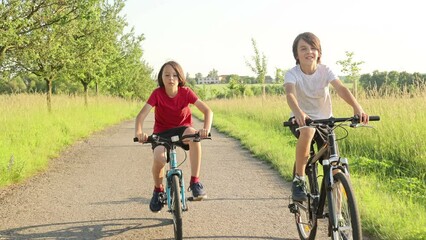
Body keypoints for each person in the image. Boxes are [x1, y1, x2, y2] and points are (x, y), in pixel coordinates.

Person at [284, 32, 369, 202]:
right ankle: (299, 179)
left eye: (313, 48)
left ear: (319, 52)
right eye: (304, 48)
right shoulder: (292, 74)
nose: (309, 52)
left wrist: (356, 107)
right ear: (296, 55)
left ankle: (338, 221)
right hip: (302, 119)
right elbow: (290, 94)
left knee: (334, 165)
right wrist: (299, 113)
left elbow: (341, 88)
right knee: (307, 131)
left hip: (325, 121)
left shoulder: (325, 70)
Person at [135, 60, 213, 212]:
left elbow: (207, 111)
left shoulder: (186, 92)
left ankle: (195, 182)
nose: (171, 78)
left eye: (175, 75)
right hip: (161, 133)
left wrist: (205, 129)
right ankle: (158, 190)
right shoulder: (157, 94)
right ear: (161, 78)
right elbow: (141, 115)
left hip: (182, 129)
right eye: (167, 75)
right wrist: (139, 132)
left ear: (180, 78)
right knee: (160, 158)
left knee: (194, 137)